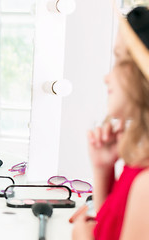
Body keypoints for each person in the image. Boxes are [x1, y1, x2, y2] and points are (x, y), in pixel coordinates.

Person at [72, 6, 149, 240]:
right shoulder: (138, 167)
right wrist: (103, 170)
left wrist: (83, 237)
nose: (108, 77)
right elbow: (112, 228)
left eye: (119, 59)